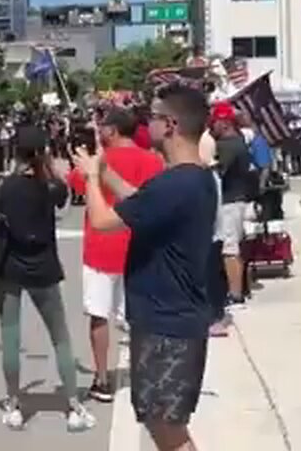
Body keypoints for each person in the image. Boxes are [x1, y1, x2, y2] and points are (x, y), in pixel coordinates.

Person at [73, 84, 218, 451]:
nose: (145, 124)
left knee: (166, 427)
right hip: (170, 318)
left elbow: (104, 220)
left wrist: (90, 178)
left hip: (167, 323)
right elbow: (140, 202)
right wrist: (104, 172)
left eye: (152, 116)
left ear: (170, 124)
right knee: (162, 423)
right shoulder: (192, 179)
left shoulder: (175, 184)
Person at [0, 125, 96, 433]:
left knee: (10, 334)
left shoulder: (2, 185)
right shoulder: (49, 186)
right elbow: (63, 195)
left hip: (8, 266)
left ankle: (13, 403)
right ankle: (73, 406)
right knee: (60, 336)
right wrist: (49, 166)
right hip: (43, 267)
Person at [66, 107, 164, 403]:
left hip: (101, 247)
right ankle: (145, 376)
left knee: (99, 316)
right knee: (139, 318)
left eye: (102, 126)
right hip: (140, 248)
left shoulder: (100, 160)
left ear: (112, 130)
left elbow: (75, 184)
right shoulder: (153, 161)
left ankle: (102, 378)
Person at [210, 101, 254, 329]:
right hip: (236, 200)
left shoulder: (228, 145)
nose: (212, 125)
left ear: (224, 122)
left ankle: (235, 295)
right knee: (233, 248)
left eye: (214, 121)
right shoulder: (239, 142)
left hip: (230, 202)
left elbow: (218, 171)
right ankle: (238, 290)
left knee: (229, 250)